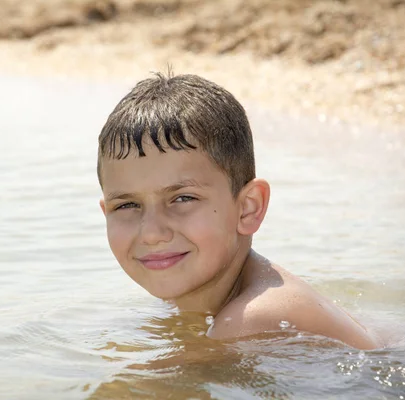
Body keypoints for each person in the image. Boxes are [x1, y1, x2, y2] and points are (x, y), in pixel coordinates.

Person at [96, 72, 380, 350]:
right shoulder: (212, 298)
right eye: (127, 205)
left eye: (182, 199)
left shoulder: (251, 321)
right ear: (105, 212)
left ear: (248, 208)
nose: (152, 233)